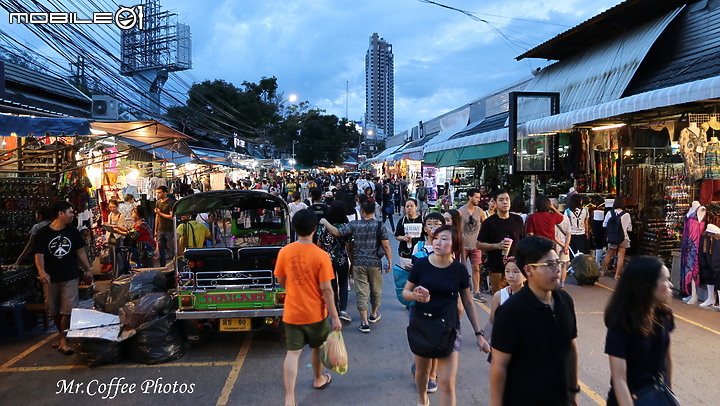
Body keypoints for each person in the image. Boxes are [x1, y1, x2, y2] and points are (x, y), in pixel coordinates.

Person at [403, 225, 491, 406]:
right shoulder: (421, 265)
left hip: (449, 328)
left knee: (447, 383)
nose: (438, 242)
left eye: (444, 239)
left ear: (454, 244)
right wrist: (415, 295)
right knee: (422, 372)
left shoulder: (459, 269)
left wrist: (479, 334)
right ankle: (422, 399)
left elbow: (467, 302)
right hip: (423, 325)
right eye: (436, 238)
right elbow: (405, 292)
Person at [490, 236, 579, 406]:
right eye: (549, 265)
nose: (557, 270)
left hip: (560, 398)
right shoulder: (511, 312)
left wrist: (573, 390)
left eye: (558, 263)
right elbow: (499, 366)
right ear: (529, 270)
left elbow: (571, 348)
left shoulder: (565, 301)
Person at [274, 209, 342, 406]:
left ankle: (289, 399)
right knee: (317, 348)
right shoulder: (321, 256)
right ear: (315, 229)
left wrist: (295, 289)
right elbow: (327, 290)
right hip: (316, 313)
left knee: (292, 354)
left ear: (295, 228)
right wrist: (335, 317)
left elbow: (281, 280)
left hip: (292, 311)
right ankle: (319, 379)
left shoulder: (285, 251)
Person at [604, 256, 674, 406]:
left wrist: (667, 395)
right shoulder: (621, 323)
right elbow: (619, 379)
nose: (671, 285)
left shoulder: (664, 315)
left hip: (654, 396)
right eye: (665, 280)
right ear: (647, 286)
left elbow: (666, 359)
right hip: (626, 399)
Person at [320, 200, 392, 333]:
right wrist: (389, 261)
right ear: (373, 211)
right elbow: (386, 245)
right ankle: (374, 314)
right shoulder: (379, 225)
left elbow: (337, 232)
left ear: (362, 211)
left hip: (359, 263)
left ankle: (364, 322)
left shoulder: (354, 224)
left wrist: (324, 222)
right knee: (376, 290)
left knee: (361, 292)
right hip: (375, 263)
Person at [34, 201, 94, 355]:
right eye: (70, 211)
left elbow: (80, 252)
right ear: (60, 213)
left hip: (70, 276)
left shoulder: (73, 232)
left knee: (68, 310)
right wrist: (42, 271)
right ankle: (63, 335)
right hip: (50, 277)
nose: (73, 214)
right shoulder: (43, 233)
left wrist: (88, 269)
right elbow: (39, 255)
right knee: (53, 310)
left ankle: (63, 340)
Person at [476, 190, 525, 295]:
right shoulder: (489, 222)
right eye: (501, 200)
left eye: (507, 199)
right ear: (495, 203)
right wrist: (497, 246)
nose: (505, 202)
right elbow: (478, 244)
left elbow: (523, 241)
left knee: (518, 299)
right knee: (499, 299)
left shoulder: (518, 220)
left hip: (516, 268)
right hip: (496, 268)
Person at [316, 201, 352, 323]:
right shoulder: (345, 226)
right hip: (342, 259)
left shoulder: (323, 226)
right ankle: (343, 310)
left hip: (327, 261)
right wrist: (351, 259)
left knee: (331, 286)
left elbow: (319, 244)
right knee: (343, 284)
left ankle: (334, 310)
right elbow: (348, 245)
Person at [485, 257, 526, 357]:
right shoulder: (499, 295)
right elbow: (492, 321)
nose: (511, 276)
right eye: (507, 271)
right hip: (502, 344)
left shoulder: (531, 295)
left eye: (516, 272)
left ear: (526, 274)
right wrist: (483, 339)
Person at [458, 188, 486, 303]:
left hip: (475, 245)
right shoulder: (461, 211)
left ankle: (476, 292)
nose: (478, 199)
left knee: (476, 268)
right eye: (476, 197)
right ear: (470, 197)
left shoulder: (480, 211)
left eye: (479, 197)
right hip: (463, 246)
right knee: (462, 269)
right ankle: (462, 290)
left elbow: (485, 225)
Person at [600, 197, 632, 280]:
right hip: (623, 237)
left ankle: (602, 271)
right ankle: (617, 275)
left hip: (612, 237)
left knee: (609, 254)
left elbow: (604, 225)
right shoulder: (626, 214)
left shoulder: (610, 213)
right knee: (621, 256)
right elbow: (629, 228)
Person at [395, 198, 424, 272]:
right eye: (407, 206)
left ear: (416, 207)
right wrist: (403, 238)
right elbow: (397, 236)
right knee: (406, 275)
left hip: (420, 253)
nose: (409, 208)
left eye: (411, 206)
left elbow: (427, 235)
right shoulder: (402, 221)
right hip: (405, 253)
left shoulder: (422, 220)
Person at [154, 185, 176, 267]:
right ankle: (162, 267)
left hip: (169, 230)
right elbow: (157, 217)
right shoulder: (158, 203)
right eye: (157, 193)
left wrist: (160, 213)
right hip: (160, 229)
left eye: (159, 193)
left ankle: (175, 266)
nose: (158, 194)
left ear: (165, 193)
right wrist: (155, 230)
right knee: (161, 250)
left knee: (171, 249)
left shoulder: (171, 203)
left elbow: (171, 217)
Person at [552, 198, 572, 289]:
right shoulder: (565, 217)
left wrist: (561, 244)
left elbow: (552, 235)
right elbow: (569, 233)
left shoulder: (550, 218)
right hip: (564, 243)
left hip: (555, 244)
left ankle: (555, 282)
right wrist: (566, 245)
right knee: (563, 264)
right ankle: (562, 283)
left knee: (554, 264)